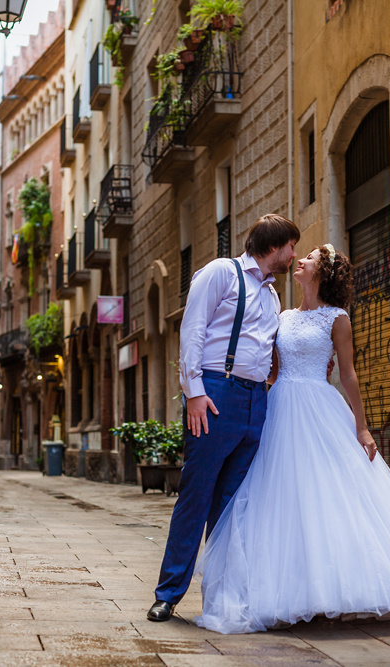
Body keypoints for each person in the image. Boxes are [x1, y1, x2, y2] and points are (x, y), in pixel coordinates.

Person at [194, 244, 390, 634]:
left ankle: (342, 590)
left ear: (322, 272)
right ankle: (282, 587)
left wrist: (361, 427)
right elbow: (271, 367)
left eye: (309, 257)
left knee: (327, 496)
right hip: (279, 407)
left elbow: (348, 375)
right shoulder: (284, 315)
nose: (300, 260)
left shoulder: (337, 319)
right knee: (277, 496)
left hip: (319, 405)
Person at [147, 214, 301, 623]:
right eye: (292, 247)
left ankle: (220, 598)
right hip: (215, 394)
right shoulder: (221, 273)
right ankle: (169, 594)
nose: (294, 255)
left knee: (233, 507)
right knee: (196, 497)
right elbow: (192, 330)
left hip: (256, 402)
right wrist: (193, 392)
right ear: (275, 244)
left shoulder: (272, 297)